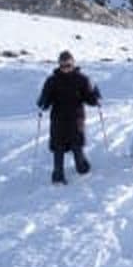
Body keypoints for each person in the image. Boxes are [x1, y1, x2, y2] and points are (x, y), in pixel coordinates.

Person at [36, 51, 101, 184]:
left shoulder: (82, 79)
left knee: (77, 145)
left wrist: (95, 96)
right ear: (59, 65)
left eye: (68, 65)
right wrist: (43, 102)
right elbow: (46, 100)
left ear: (73, 63)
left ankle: (82, 166)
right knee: (58, 147)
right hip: (58, 119)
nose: (66, 68)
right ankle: (58, 175)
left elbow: (89, 99)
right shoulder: (52, 81)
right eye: (63, 65)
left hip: (76, 118)